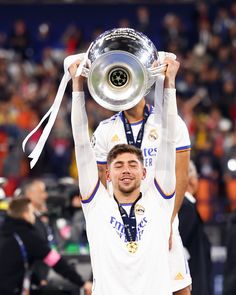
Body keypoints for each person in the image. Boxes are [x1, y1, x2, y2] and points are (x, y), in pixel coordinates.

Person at [69, 55, 178, 294]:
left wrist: (169, 83)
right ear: (107, 174)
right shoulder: (96, 205)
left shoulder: (160, 202)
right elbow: (81, 143)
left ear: (144, 172)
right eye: (118, 165)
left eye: (132, 164)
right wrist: (77, 86)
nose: (126, 169)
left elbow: (169, 139)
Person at [0, 197, 92, 295]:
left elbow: (15, 265)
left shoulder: (4, 233)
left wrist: (37, 280)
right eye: (32, 212)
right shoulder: (28, 236)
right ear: (25, 215)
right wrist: (82, 283)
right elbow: (56, 261)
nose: (34, 217)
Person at [179, 160, 212, 295]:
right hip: (191, 279)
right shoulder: (185, 206)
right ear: (191, 179)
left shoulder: (187, 205)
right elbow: (180, 245)